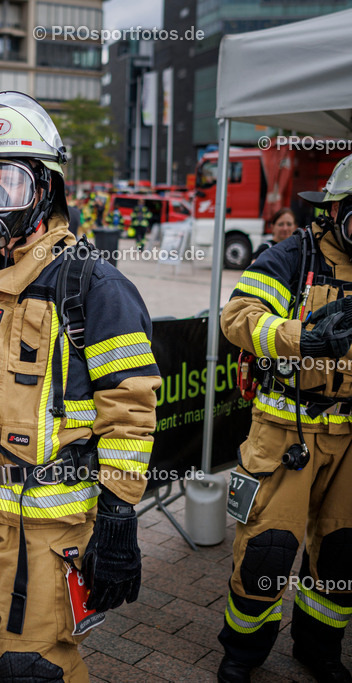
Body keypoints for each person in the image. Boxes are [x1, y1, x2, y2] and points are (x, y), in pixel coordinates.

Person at [0, 92, 160, 681]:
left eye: (8, 184)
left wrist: (119, 512)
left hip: (49, 519)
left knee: (33, 667)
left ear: (45, 189)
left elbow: (131, 406)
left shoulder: (92, 284)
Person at [216, 154, 352, 683]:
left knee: (341, 556)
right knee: (266, 554)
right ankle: (242, 655)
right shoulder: (291, 257)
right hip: (284, 434)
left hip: (349, 440)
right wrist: (303, 338)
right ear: (332, 211)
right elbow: (238, 318)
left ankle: (318, 650)